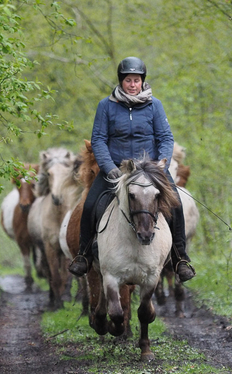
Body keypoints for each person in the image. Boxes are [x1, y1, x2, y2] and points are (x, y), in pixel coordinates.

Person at [68, 56, 196, 282]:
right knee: (89, 205)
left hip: (151, 169)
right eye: (128, 80)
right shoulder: (106, 106)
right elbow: (98, 140)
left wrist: (162, 163)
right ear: (121, 81)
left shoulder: (155, 105)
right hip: (118, 169)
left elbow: (165, 137)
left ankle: (180, 259)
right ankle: (84, 255)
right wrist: (109, 168)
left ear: (142, 81)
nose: (133, 84)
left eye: (136, 80)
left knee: (176, 205)